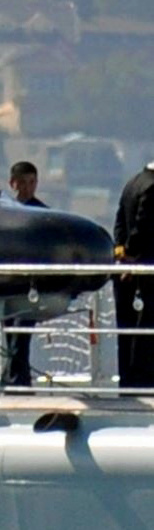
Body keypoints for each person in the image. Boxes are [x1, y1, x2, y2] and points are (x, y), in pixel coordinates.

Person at [4, 161, 46, 387]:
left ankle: (18, 380)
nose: (29, 188)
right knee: (9, 334)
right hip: (7, 283)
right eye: (24, 183)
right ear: (13, 183)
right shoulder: (4, 211)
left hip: (29, 286)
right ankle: (13, 377)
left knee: (21, 336)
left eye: (32, 182)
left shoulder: (42, 213)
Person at [114, 163, 154, 392]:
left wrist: (121, 253)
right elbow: (144, 227)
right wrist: (131, 254)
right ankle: (143, 382)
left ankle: (127, 381)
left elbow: (120, 222)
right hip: (146, 274)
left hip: (127, 273)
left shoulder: (133, 182)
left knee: (127, 332)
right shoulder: (152, 187)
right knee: (145, 333)